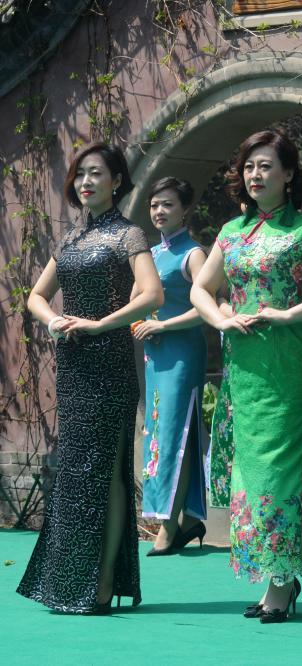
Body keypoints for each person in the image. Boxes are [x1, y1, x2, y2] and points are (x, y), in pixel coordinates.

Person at [190, 129, 302, 623]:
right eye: (249, 166)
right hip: (244, 369)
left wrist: (288, 314)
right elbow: (201, 288)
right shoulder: (231, 232)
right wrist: (221, 320)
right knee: (250, 473)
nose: (255, 174)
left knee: (280, 473)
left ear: (288, 174)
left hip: (289, 366)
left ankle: (282, 581)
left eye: (265, 166)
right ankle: (273, 576)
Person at [17, 143, 163, 613]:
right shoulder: (71, 240)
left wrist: (101, 324)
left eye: (96, 173)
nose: (85, 182)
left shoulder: (129, 235)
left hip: (110, 364)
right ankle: (69, 582)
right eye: (80, 174)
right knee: (77, 472)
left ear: (116, 181)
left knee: (108, 472)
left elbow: (152, 294)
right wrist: (53, 320)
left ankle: (101, 584)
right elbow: (36, 296)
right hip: (74, 365)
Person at [133, 177, 209, 556]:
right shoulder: (149, 254)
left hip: (183, 355)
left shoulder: (193, 254)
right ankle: (190, 519)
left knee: (173, 434)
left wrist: (163, 326)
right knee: (162, 433)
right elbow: (135, 302)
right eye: (154, 205)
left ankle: (167, 525)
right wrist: (138, 324)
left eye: (167, 204)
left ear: (185, 210)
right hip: (156, 356)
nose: (159, 211)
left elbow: (206, 307)